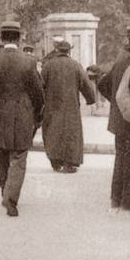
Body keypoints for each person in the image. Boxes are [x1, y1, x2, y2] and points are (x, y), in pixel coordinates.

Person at [0, 21, 45, 217]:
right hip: (23, 116)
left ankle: (4, 190)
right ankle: (11, 198)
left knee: (1, 154)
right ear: (18, 38)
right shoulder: (28, 62)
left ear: (2, 38)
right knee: (19, 156)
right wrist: (39, 114)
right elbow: (38, 92)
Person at [97, 25, 130, 211]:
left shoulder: (120, 62)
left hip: (118, 122)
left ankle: (115, 197)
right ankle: (128, 200)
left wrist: (116, 104)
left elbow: (102, 84)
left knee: (120, 159)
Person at [40, 40, 95, 173]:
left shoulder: (48, 65)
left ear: (57, 50)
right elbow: (86, 85)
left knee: (52, 131)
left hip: (52, 105)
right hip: (71, 106)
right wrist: (90, 99)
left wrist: (40, 103)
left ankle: (55, 161)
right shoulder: (76, 65)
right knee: (71, 132)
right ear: (69, 51)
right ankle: (69, 163)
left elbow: (40, 86)